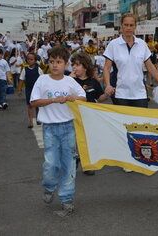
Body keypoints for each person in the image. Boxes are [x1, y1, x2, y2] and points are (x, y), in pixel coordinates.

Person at [103, 13, 158, 172]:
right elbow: (106, 67)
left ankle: (139, 155)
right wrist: (108, 84)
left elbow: (151, 67)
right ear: (121, 26)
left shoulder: (142, 44)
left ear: (135, 26)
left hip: (139, 93)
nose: (129, 28)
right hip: (121, 93)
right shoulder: (113, 44)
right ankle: (126, 158)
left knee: (139, 126)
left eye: (132, 25)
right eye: (126, 25)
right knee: (124, 126)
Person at [30, 46, 86, 216]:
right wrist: (53, 99)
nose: (55, 65)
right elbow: (34, 102)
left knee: (68, 165)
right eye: (52, 62)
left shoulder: (70, 81)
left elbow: (83, 97)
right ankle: (49, 187)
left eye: (59, 62)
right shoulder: (42, 80)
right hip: (50, 129)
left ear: (66, 64)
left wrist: (73, 97)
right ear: (48, 63)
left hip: (68, 128)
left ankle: (67, 198)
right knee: (51, 163)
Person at [70, 52, 110, 176]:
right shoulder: (70, 80)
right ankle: (74, 160)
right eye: (73, 65)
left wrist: (107, 94)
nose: (74, 68)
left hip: (90, 115)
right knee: (74, 140)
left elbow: (100, 97)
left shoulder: (93, 82)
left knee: (88, 140)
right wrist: (68, 79)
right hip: (74, 115)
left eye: (77, 65)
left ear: (85, 66)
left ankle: (86, 165)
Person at [17, 52, 43, 128]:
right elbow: (21, 80)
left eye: (31, 59)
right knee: (30, 105)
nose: (29, 61)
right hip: (29, 89)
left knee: (38, 105)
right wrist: (19, 90)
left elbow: (43, 80)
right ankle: (31, 121)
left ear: (35, 60)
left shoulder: (38, 69)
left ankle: (38, 118)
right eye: (28, 59)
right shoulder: (25, 70)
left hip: (38, 90)